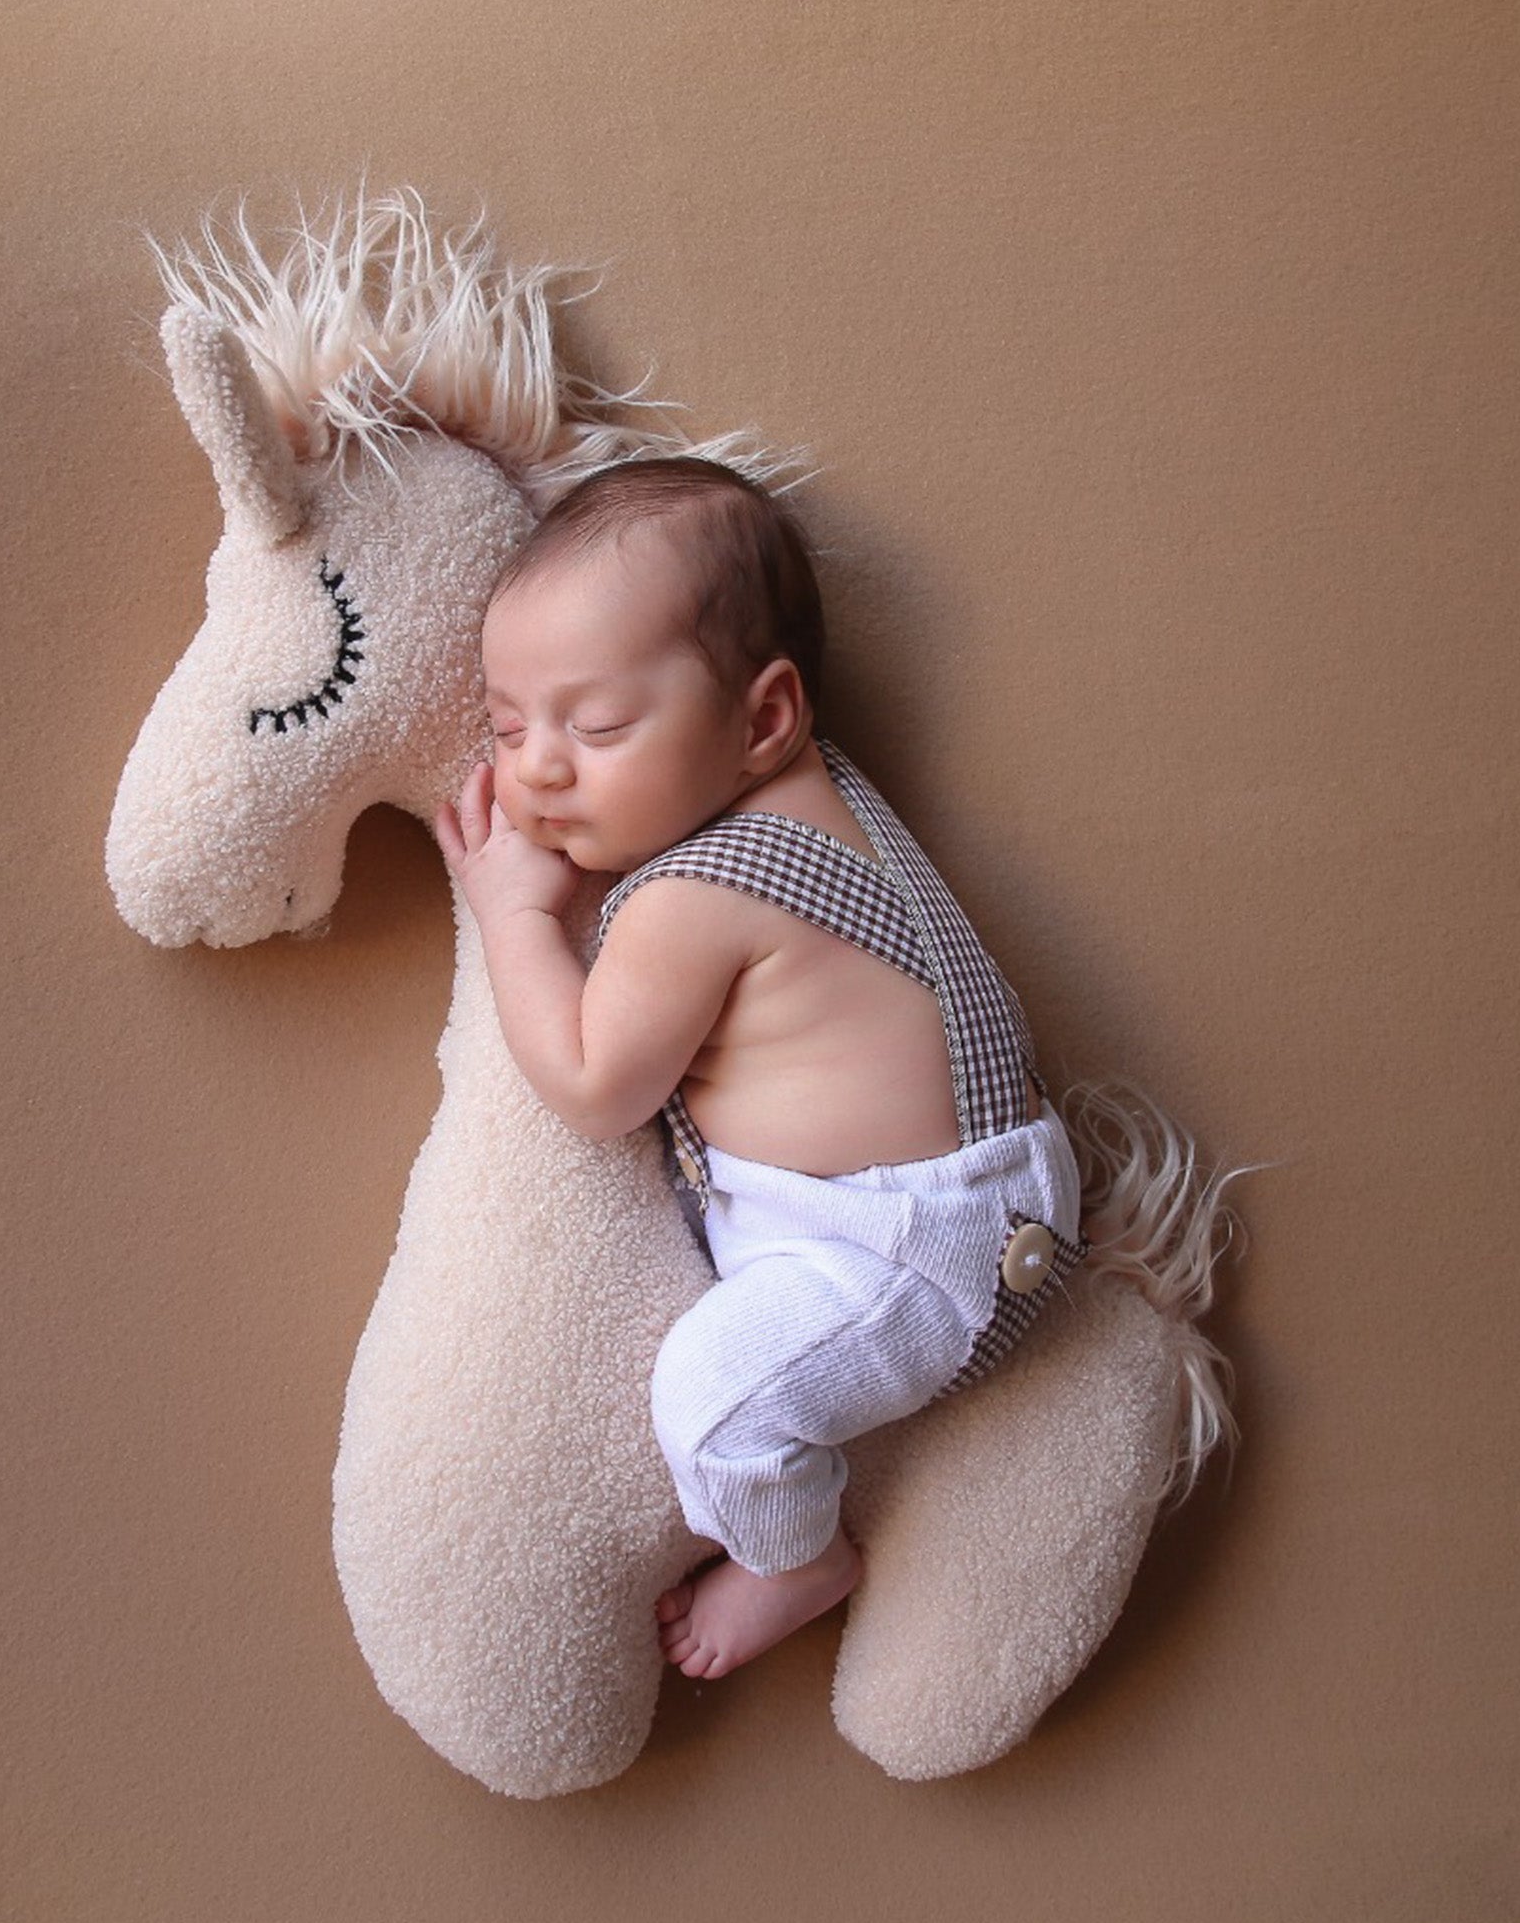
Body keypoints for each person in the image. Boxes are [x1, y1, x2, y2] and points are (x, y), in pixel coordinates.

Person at [433, 456, 1082, 1680]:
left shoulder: (691, 894)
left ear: (764, 718)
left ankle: (796, 1557)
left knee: (715, 1390)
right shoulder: (824, 795)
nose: (534, 771)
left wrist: (515, 920)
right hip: (974, 1198)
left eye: (600, 725)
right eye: (510, 727)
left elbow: (594, 1085)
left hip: (911, 1256)